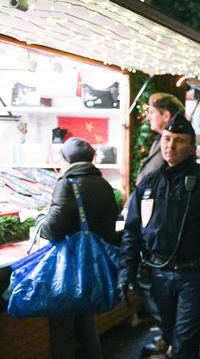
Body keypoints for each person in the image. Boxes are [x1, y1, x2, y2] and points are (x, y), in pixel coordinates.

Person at [118, 113, 200, 359]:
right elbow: (132, 232)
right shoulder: (148, 184)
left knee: (184, 348)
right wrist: (126, 270)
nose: (170, 146)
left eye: (179, 141)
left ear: (192, 147)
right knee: (172, 337)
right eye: (167, 139)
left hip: (195, 275)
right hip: (158, 276)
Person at [39, 137, 119, 359]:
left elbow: (53, 229)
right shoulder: (103, 184)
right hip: (93, 270)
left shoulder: (68, 183)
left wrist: (38, 220)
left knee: (62, 333)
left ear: (67, 160)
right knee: (86, 328)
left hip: (68, 272)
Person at [135, 92, 185, 356]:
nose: (149, 117)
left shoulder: (167, 147)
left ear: (166, 115)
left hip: (158, 227)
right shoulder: (159, 143)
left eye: (153, 112)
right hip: (152, 225)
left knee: (152, 283)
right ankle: (169, 336)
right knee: (153, 283)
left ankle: (170, 337)